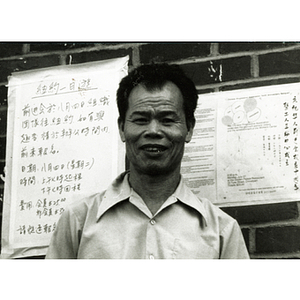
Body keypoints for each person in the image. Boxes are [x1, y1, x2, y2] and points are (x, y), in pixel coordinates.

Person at [46, 63, 249, 259]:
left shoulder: (222, 231)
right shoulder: (78, 221)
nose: (153, 131)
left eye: (167, 120)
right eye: (141, 120)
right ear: (121, 128)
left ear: (189, 128)